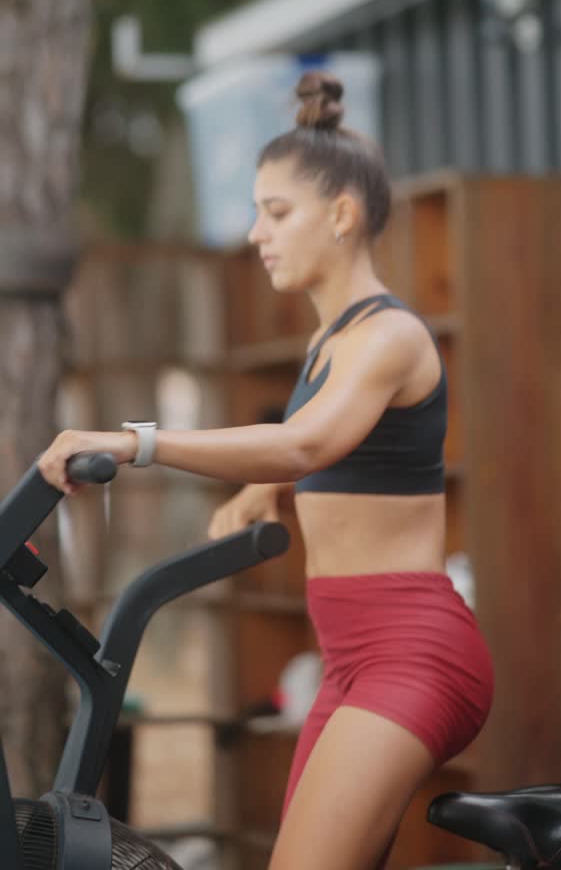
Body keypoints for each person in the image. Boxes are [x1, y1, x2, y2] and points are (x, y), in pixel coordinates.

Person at [39, 71, 494, 870]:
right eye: (258, 212)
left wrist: (140, 443)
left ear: (343, 215)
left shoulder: (388, 339)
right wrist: (265, 488)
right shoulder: (331, 343)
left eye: (277, 212)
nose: (256, 233)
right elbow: (338, 449)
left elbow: (305, 444)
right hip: (349, 661)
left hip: (413, 653)